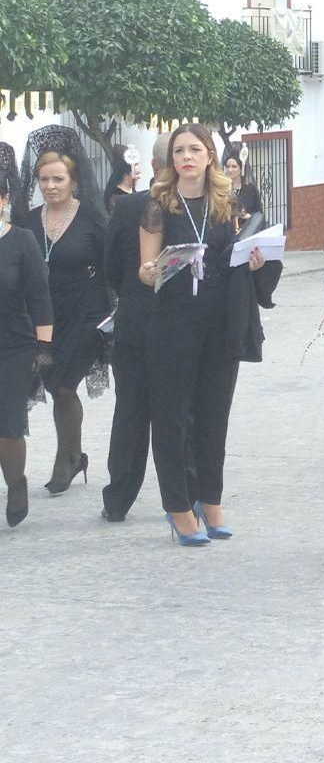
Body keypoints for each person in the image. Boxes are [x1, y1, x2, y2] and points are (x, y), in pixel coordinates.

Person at [139, 124, 262, 547]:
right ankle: (177, 505)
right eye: (179, 151)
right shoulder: (159, 204)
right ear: (171, 160)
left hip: (219, 321)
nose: (186, 157)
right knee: (172, 417)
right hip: (173, 323)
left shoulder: (227, 204)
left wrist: (256, 260)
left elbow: (240, 256)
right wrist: (151, 270)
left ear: (209, 155)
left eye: (195, 149)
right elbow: (144, 267)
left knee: (214, 415)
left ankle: (210, 500)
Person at [19, 126, 111, 495]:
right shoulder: (27, 221)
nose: (50, 185)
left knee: (63, 385)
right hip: (43, 316)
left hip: (84, 314)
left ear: (74, 180)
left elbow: (109, 271)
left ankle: (67, 459)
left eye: (58, 178)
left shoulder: (91, 220)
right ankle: (75, 454)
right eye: (43, 179)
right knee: (53, 383)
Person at [100, 133, 167, 521]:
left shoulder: (126, 208)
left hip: (135, 320)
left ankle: (118, 498)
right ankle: (184, 497)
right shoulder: (135, 208)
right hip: (149, 325)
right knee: (169, 413)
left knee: (130, 413)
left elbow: (110, 270)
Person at [0, 144, 54, 528]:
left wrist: (44, 348)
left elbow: (40, 297)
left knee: (7, 425)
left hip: (13, 345)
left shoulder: (21, 241)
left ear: (4, 198)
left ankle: (15, 481)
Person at [222, 146, 264, 219]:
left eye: (234, 167)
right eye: (227, 166)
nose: (230, 170)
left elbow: (259, 215)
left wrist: (250, 217)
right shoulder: (221, 188)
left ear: (241, 169)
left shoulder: (250, 189)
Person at [101, 146, 141, 214]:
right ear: (125, 174)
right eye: (136, 174)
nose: (139, 177)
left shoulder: (134, 193)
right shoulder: (115, 200)